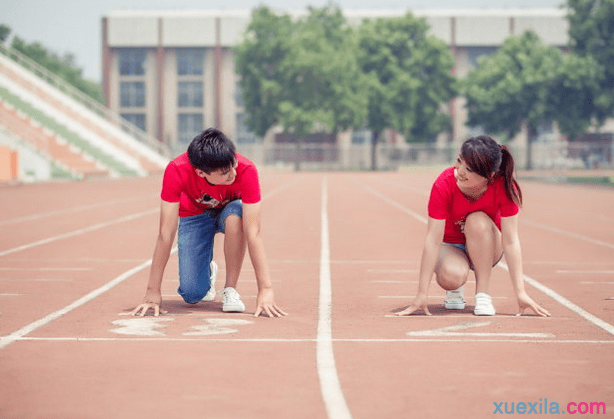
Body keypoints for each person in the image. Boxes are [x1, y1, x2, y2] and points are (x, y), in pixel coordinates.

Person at [131, 128, 287, 318]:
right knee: (192, 295)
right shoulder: (177, 170)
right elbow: (166, 232)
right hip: (194, 214)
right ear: (200, 172)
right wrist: (152, 292)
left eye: (233, 166)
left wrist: (266, 289)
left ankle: (230, 289)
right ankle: (208, 270)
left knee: (236, 217)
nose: (232, 175)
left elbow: (253, 232)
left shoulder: (246, 170)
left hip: (231, 212)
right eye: (224, 173)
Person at [395, 135, 550, 317]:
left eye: (468, 168)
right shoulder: (443, 184)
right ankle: (455, 289)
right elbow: (433, 240)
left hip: (487, 245)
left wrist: (521, 293)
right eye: (459, 161)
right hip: (452, 246)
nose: (460, 171)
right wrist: (421, 294)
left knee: (477, 220)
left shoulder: (504, 187)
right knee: (451, 276)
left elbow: (510, 241)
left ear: (489, 175)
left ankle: (483, 296)